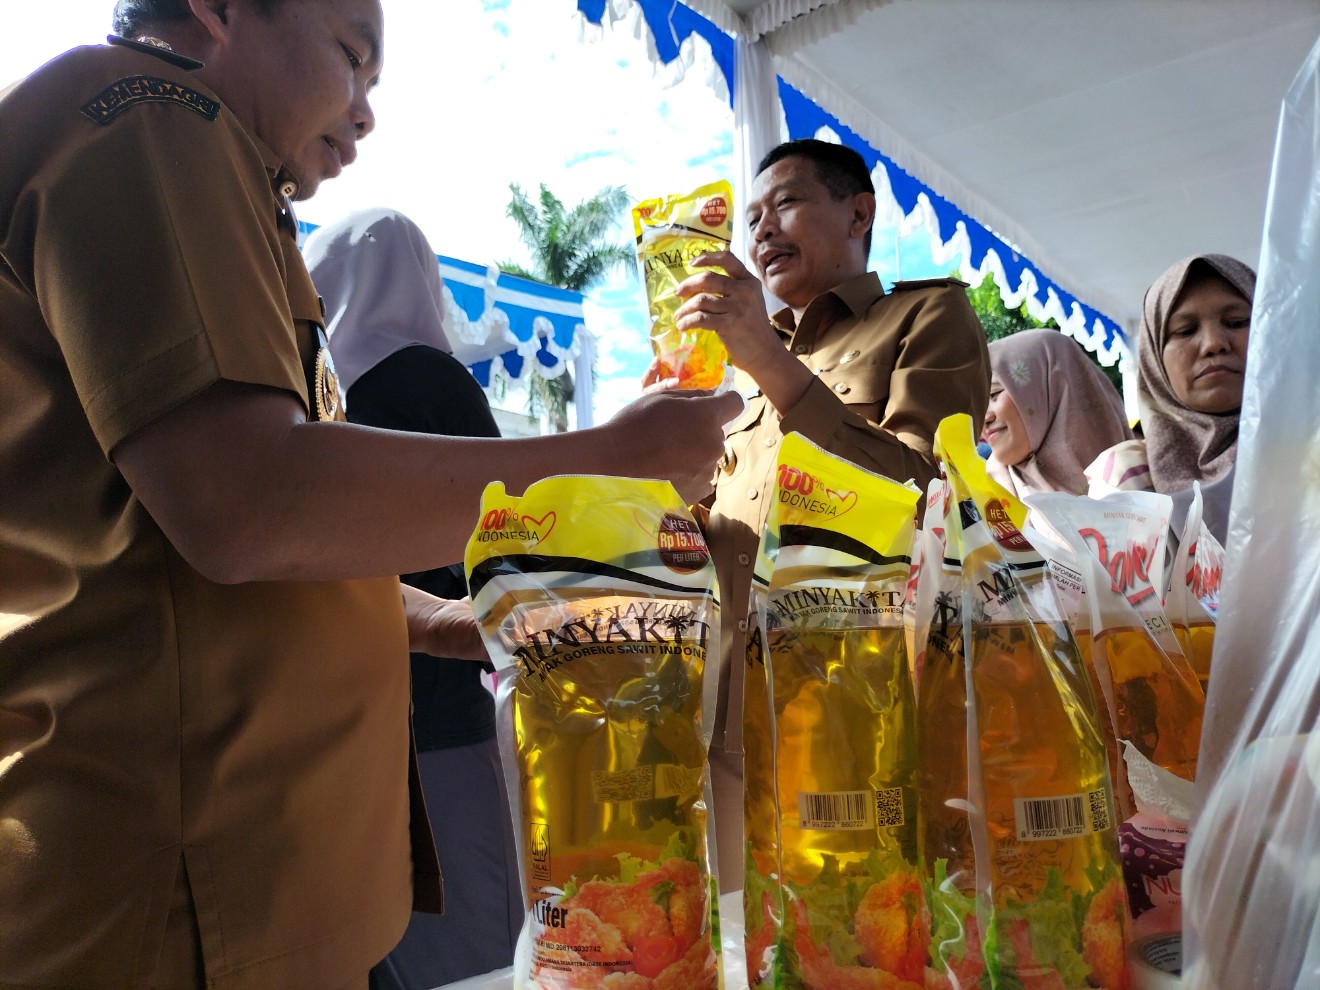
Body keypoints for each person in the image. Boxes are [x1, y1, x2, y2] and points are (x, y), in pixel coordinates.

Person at [0, 3, 740, 988]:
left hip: (232, 884)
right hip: (176, 894)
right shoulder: (152, 115)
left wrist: (438, 621)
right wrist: (609, 459)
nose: (363, 113)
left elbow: (214, 538)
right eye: (352, 57)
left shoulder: (205, 168)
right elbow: (244, 500)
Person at [648, 138, 991, 886]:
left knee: (858, 930)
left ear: (858, 213)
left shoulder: (925, 316)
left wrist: (770, 368)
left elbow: (925, 496)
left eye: (787, 203)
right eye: (751, 219)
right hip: (724, 705)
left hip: (860, 704)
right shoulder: (730, 366)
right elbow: (694, 530)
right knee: (738, 939)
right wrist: (658, 461)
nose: (763, 230)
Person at [302, 208, 521, 988]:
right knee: (474, 939)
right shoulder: (430, 377)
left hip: (342, 714)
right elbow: (508, 529)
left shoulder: (310, 400)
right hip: (439, 699)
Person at [1087, 254, 1255, 542]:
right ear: (1154, 359)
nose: (1214, 343)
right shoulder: (1128, 478)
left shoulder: (1306, 449)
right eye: (1185, 330)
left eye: (1238, 321)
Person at [981, 327, 1132, 498]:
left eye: (993, 394)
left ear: (1052, 389)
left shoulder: (1139, 471)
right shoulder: (991, 498)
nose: (983, 418)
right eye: (978, 406)